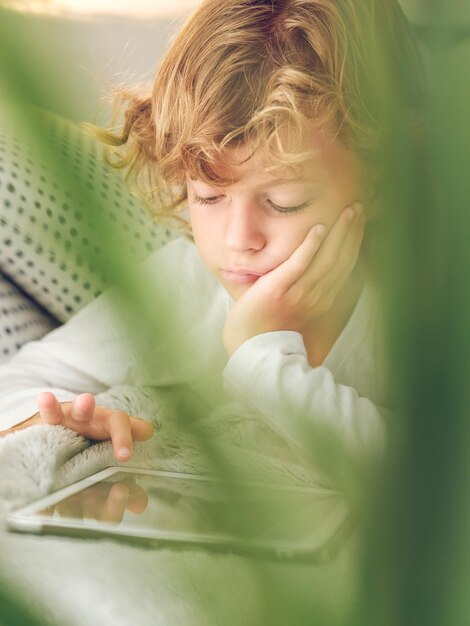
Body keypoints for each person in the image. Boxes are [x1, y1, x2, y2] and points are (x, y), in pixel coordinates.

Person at [0, 0, 425, 465]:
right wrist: (57, 419)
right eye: (208, 197)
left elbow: (432, 482)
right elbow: (20, 381)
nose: (239, 240)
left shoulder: (419, 306)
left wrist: (258, 357)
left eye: (284, 202)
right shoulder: (184, 287)